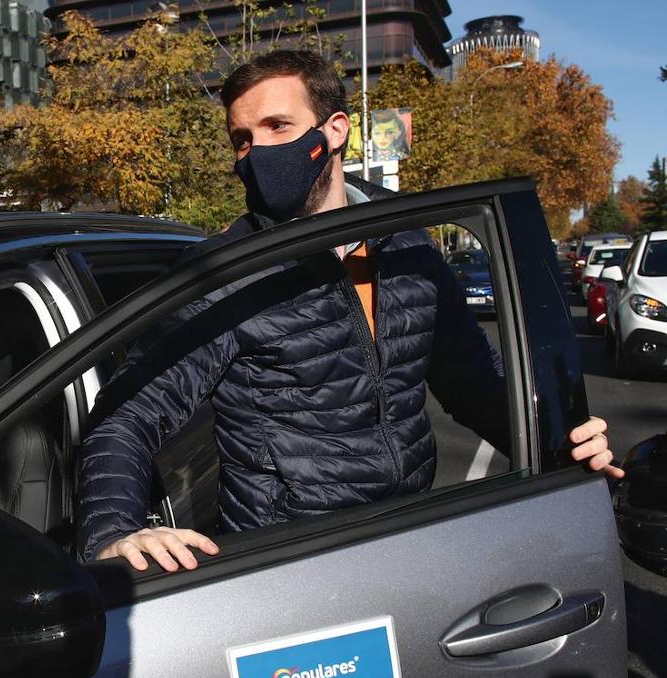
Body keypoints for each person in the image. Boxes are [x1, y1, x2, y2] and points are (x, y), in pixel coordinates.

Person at [77, 50, 622, 572]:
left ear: (334, 131)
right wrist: (115, 532)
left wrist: (557, 442)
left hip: (410, 536)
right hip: (286, 559)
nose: (256, 152)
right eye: (242, 140)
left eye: (277, 127)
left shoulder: (408, 240)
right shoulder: (226, 271)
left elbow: (472, 381)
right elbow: (128, 414)